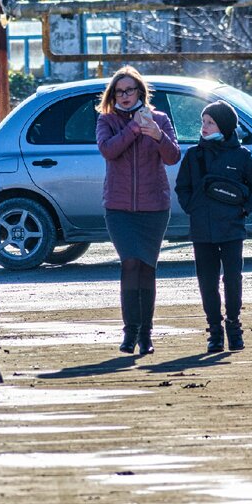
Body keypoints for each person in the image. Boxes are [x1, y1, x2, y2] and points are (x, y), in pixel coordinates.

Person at [96, 66, 181, 355]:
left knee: (147, 268)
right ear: (112, 95)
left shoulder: (160, 120)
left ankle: (146, 335)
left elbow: (172, 157)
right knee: (130, 263)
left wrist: (157, 135)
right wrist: (134, 127)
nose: (125, 95)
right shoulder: (106, 121)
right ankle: (129, 333)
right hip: (119, 209)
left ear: (140, 92)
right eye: (119, 91)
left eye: (130, 90)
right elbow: (108, 150)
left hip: (153, 207)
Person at [175, 100, 252, 353]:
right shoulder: (194, 155)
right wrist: (192, 206)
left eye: (210, 122)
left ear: (224, 126)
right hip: (202, 229)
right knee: (207, 281)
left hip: (232, 229)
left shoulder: (241, 156)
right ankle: (214, 331)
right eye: (203, 122)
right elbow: (182, 187)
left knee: (233, 279)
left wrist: (244, 209)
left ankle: (234, 327)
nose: (204, 127)